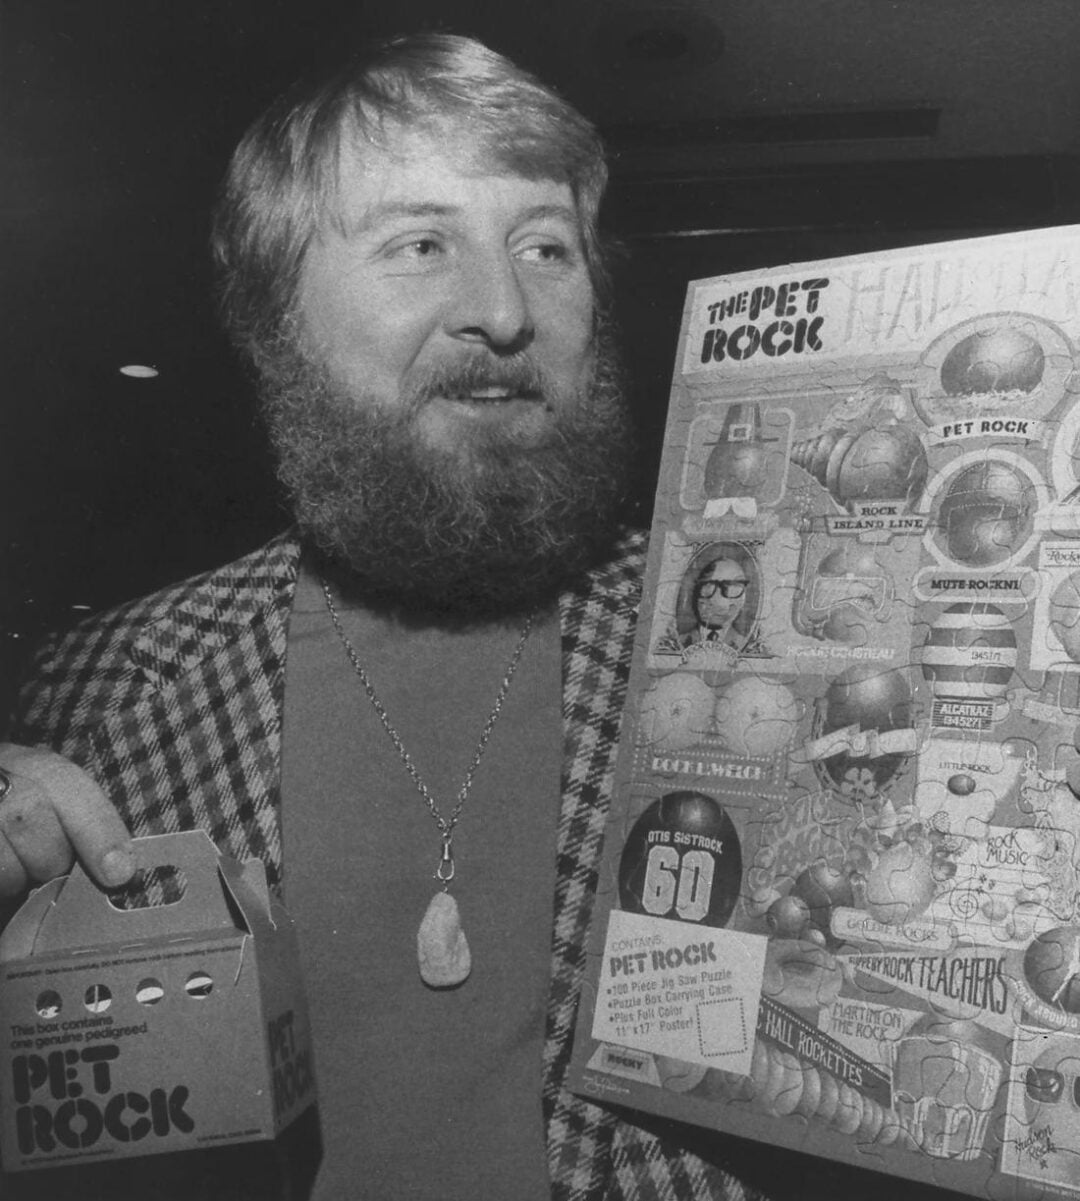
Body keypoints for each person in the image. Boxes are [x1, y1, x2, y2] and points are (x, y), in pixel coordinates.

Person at [0, 32, 769, 1201]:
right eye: (422, 243)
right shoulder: (108, 692)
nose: (505, 312)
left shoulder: (751, 666)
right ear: (273, 317)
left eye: (547, 247)